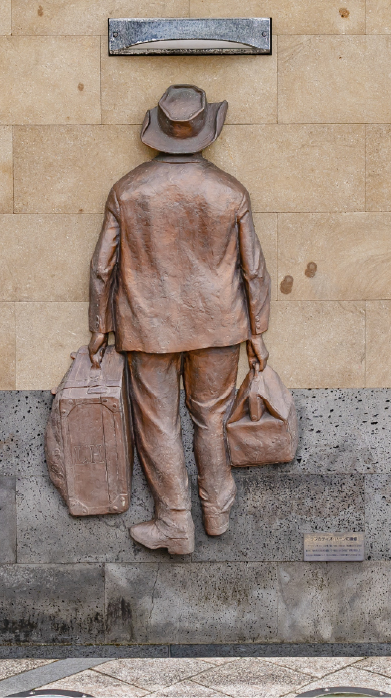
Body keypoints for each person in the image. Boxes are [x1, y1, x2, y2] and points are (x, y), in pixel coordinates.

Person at [87, 84, 271, 555]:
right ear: (206, 131)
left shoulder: (128, 190)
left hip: (148, 326)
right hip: (220, 323)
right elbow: (252, 268)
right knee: (212, 417)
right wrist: (257, 331)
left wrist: (99, 326)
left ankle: (174, 522)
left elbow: (103, 266)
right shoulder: (230, 191)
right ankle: (217, 512)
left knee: (159, 424)